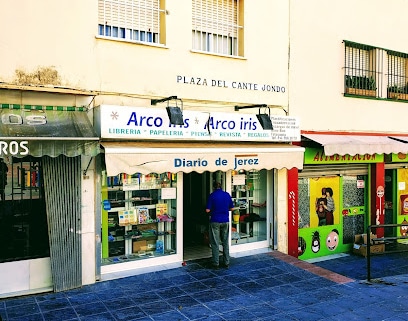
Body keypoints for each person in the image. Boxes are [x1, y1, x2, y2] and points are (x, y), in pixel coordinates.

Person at [205, 181, 234, 269]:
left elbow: (207, 210)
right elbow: (232, 208)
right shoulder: (227, 195)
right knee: (225, 242)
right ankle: (226, 262)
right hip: (225, 220)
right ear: (221, 186)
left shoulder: (212, 195)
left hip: (215, 220)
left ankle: (216, 263)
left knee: (215, 242)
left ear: (213, 187)